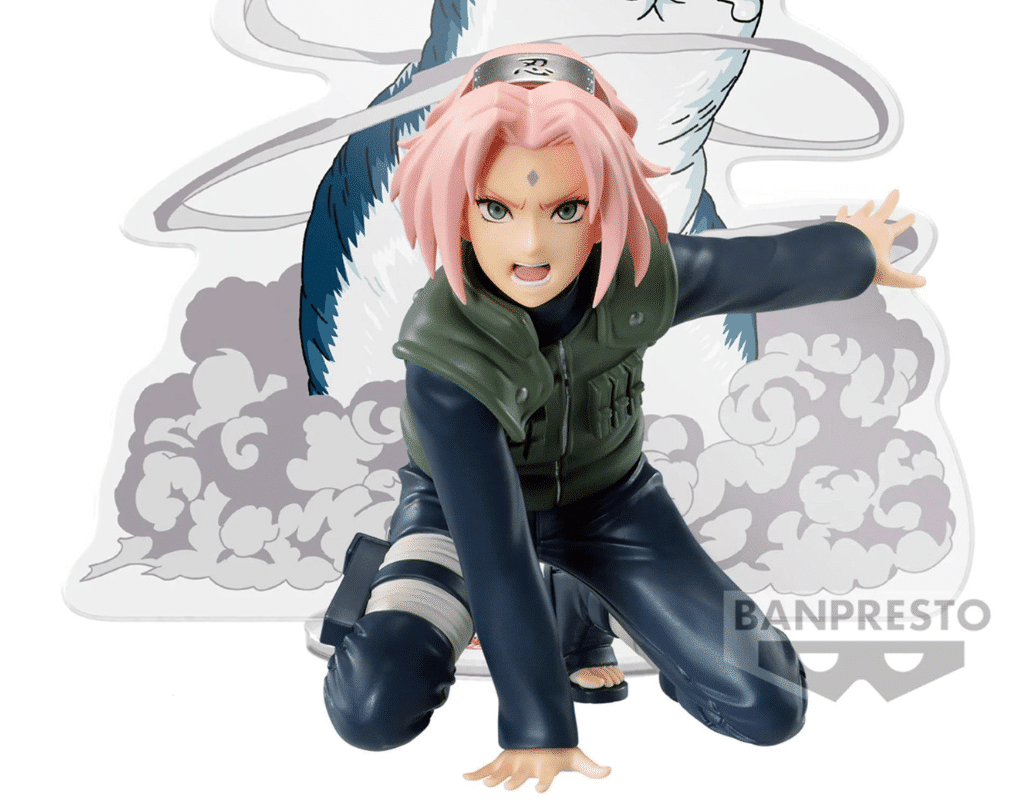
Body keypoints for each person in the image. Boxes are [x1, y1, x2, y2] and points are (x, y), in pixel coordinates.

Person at [322, 42, 924, 791]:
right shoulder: (443, 352)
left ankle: (586, 600)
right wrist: (539, 727)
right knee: (374, 708)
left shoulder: (637, 277)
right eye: (497, 208)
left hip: (612, 506)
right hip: (457, 520)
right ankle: (383, 577)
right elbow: (497, 551)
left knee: (769, 704)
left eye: (566, 208)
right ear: (462, 214)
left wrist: (856, 252)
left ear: (602, 209)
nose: (532, 244)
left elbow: (757, 269)